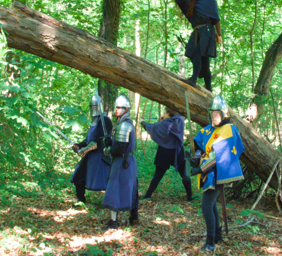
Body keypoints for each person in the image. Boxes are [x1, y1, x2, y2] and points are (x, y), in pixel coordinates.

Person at [190, 95, 244, 251]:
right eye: (212, 113)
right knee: (211, 204)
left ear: (223, 113)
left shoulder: (229, 130)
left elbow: (219, 156)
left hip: (219, 174)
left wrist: (200, 168)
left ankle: (210, 242)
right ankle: (217, 235)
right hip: (209, 174)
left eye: (217, 114)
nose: (214, 117)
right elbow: (199, 145)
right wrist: (196, 156)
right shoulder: (209, 129)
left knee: (206, 206)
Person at [175, 0, 222, 92]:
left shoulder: (211, 1)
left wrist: (219, 35)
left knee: (197, 53)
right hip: (197, 32)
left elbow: (216, 19)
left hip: (207, 30)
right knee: (203, 61)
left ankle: (193, 79)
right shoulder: (194, 1)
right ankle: (209, 89)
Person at [102, 94, 139, 230]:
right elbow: (118, 143)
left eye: (120, 108)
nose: (117, 110)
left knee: (114, 189)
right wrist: (109, 141)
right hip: (128, 161)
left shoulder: (124, 125)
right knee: (131, 188)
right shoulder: (123, 123)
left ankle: (113, 222)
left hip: (122, 162)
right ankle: (134, 217)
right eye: (116, 107)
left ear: (126, 109)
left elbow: (120, 147)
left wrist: (108, 149)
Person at [140, 107, 193, 201]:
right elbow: (173, 120)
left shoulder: (164, 123)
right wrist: (165, 119)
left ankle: (147, 195)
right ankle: (190, 197)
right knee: (184, 173)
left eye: (165, 113)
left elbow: (151, 128)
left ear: (168, 114)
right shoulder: (180, 120)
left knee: (158, 175)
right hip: (178, 151)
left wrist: (142, 122)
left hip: (165, 152)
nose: (163, 114)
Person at [71, 93, 113, 206]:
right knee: (78, 177)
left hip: (101, 156)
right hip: (90, 156)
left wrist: (84, 151)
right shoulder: (94, 121)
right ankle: (81, 200)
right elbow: (89, 139)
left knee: (109, 182)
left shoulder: (105, 121)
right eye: (92, 107)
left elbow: (97, 141)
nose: (94, 109)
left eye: (95, 106)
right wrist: (79, 145)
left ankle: (111, 202)